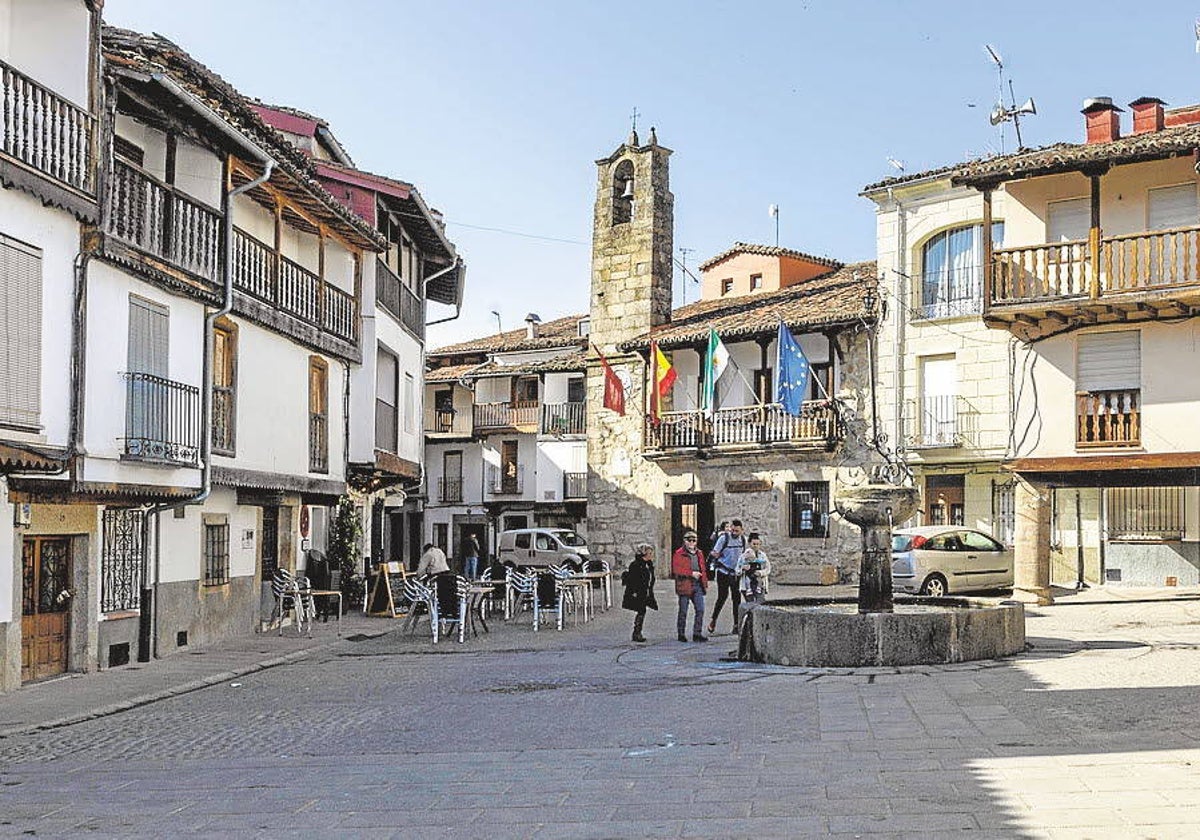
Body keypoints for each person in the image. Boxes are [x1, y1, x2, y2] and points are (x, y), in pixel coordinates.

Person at [707, 518, 746, 635]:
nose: (734, 533)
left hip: (736, 574)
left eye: (737, 531)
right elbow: (714, 552)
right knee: (722, 597)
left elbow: (744, 555)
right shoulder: (724, 538)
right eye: (733, 530)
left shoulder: (743, 540)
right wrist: (716, 555)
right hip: (723, 572)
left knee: (736, 599)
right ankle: (713, 620)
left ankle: (736, 625)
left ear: (742, 530)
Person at [672, 530, 708, 642]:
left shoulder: (699, 553)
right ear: (685, 541)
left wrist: (704, 582)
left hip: (697, 585)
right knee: (683, 611)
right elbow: (676, 569)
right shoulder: (679, 553)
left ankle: (697, 633)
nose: (692, 542)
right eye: (689, 540)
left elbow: (703, 568)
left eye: (694, 540)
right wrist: (691, 573)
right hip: (685, 584)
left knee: (700, 609)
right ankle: (681, 633)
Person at [620, 543, 658, 643]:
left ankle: (637, 632)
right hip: (638, 592)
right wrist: (634, 592)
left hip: (646, 591)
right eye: (649, 553)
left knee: (642, 610)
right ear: (644, 554)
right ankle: (636, 633)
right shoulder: (636, 565)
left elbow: (650, 577)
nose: (651, 555)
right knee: (641, 610)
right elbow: (632, 580)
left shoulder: (648, 564)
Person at [735, 532, 771, 627]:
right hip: (747, 585)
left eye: (758, 544)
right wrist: (743, 568)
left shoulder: (762, 555)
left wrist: (760, 573)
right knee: (750, 605)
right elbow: (737, 570)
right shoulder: (744, 556)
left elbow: (768, 568)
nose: (756, 546)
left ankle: (760, 625)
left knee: (760, 603)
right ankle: (750, 626)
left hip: (759, 583)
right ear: (750, 543)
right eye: (754, 544)